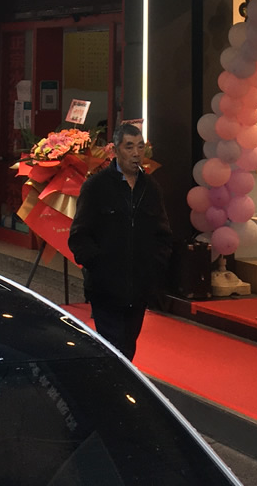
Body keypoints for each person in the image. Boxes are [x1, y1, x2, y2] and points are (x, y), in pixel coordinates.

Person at [68, 123, 172, 361]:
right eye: (129, 147)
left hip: (139, 287)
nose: (136, 153)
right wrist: (98, 266)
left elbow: (163, 234)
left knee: (128, 346)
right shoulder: (96, 186)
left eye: (140, 147)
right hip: (105, 288)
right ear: (115, 150)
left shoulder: (151, 188)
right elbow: (79, 236)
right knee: (112, 348)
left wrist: (154, 268)